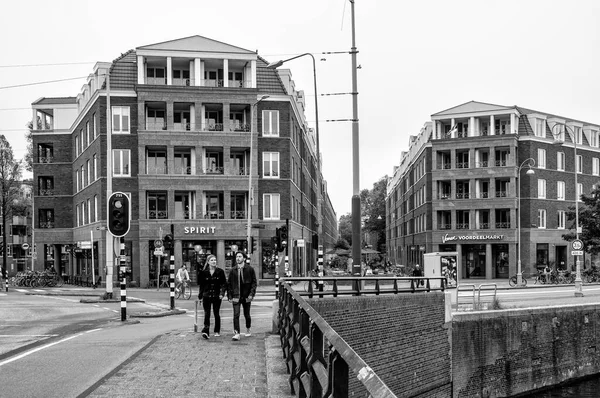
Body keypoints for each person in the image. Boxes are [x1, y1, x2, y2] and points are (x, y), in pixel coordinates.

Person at [227, 251, 257, 341]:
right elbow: (229, 284)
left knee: (246, 314)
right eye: (237, 257)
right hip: (236, 295)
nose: (238, 258)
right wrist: (229, 296)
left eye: (240, 256)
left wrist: (251, 294)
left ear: (244, 258)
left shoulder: (250, 269)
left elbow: (254, 283)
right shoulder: (233, 270)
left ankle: (248, 328)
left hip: (246, 295)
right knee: (236, 314)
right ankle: (237, 333)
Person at [198, 255, 227, 339]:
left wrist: (222, 293)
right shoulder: (204, 272)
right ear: (208, 262)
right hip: (206, 295)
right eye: (212, 260)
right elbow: (202, 286)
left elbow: (224, 284)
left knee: (216, 313)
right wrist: (200, 297)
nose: (214, 261)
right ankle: (206, 330)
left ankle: (217, 330)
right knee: (207, 313)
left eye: (215, 260)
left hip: (216, 296)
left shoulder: (220, 272)